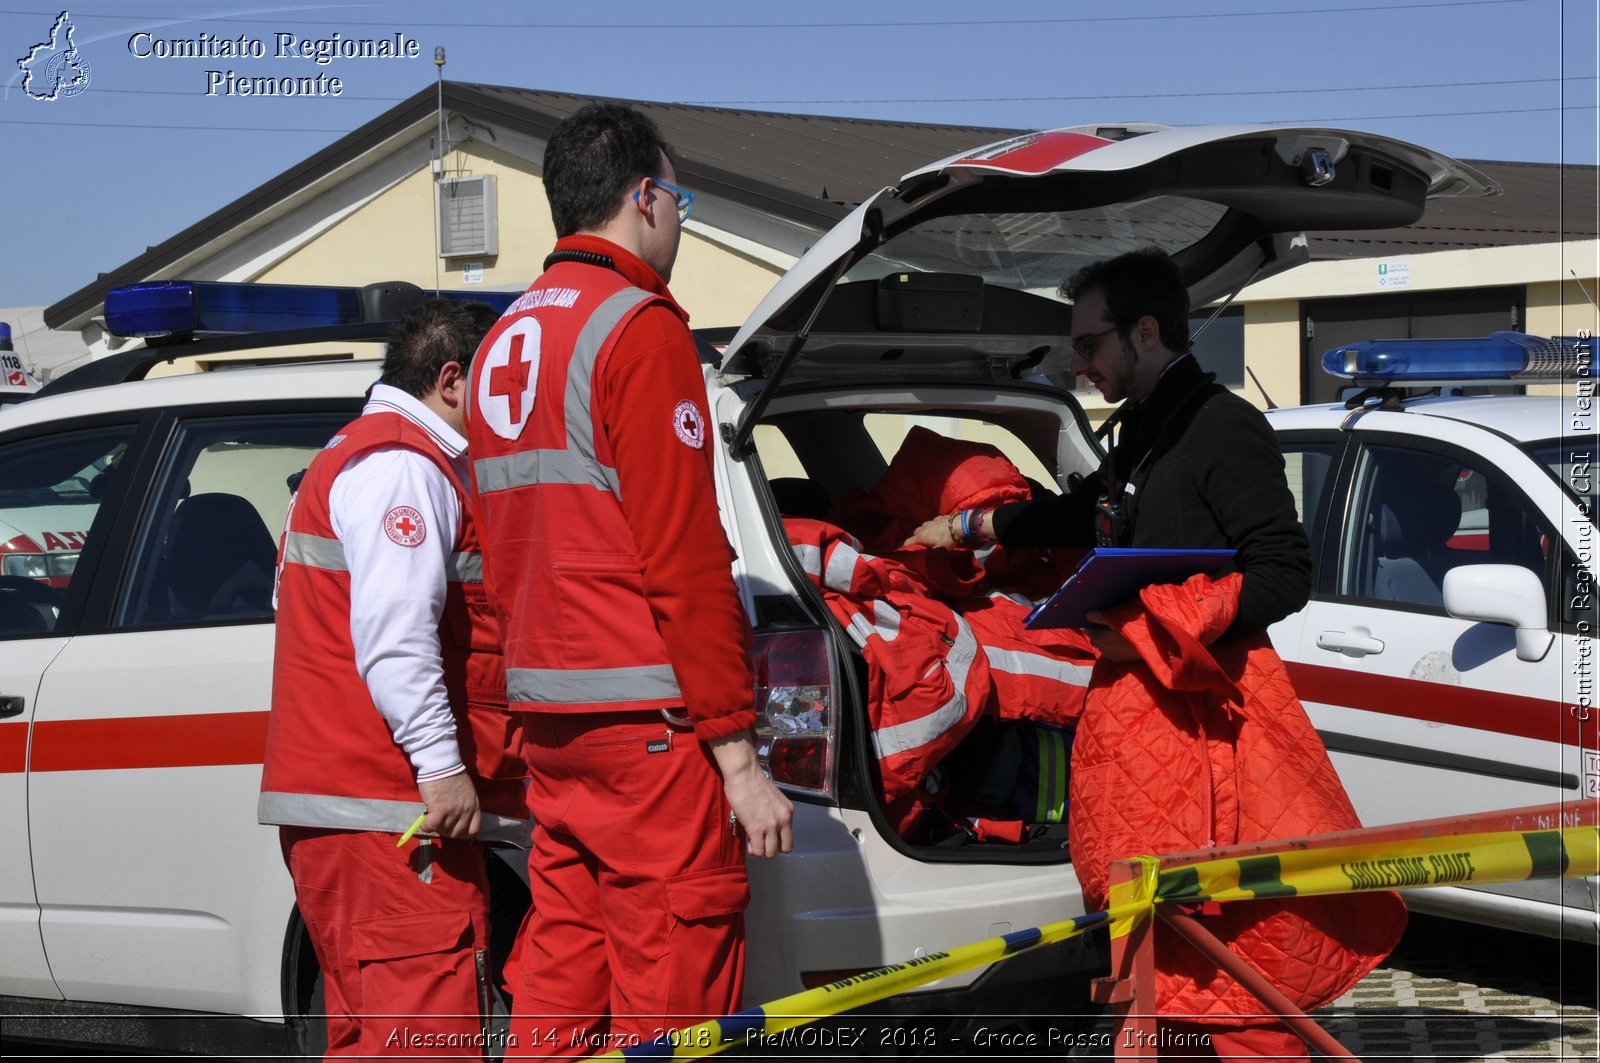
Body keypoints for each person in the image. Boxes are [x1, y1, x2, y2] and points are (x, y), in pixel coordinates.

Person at [907, 248, 1403, 1060]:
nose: (1079, 363)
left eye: (1090, 345)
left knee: (1235, 966)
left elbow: (1284, 569)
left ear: (1145, 331)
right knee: (1162, 964)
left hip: (1210, 731)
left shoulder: (1223, 426)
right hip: (1146, 729)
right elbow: (1088, 514)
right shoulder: (1140, 428)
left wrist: (1148, 626)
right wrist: (975, 526)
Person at [465, 103, 793, 1055]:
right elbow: (684, 554)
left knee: (563, 978)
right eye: (679, 198)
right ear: (644, 196)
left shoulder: (500, 345)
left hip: (556, 730)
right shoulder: (638, 328)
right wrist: (738, 757)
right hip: (650, 728)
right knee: (673, 1000)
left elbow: (495, 552)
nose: (680, 222)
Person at [260, 297, 526, 1057]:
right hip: (387, 809)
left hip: (361, 810)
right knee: (426, 1033)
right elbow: (396, 636)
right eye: (497, 385)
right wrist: (442, 768)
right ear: (451, 379)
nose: (510, 410)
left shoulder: (356, 453)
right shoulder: (404, 466)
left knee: (374, 1032)